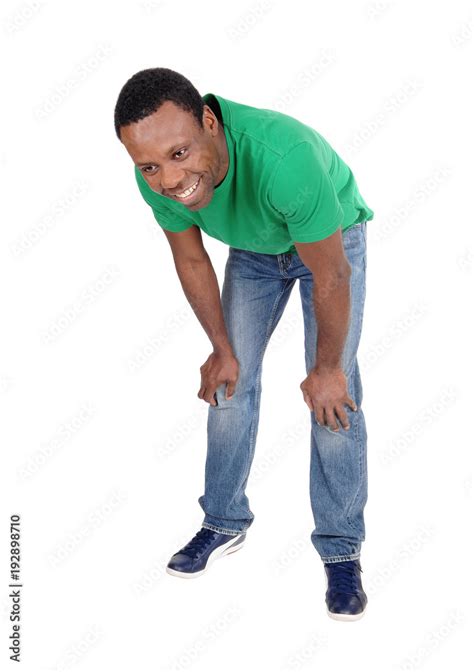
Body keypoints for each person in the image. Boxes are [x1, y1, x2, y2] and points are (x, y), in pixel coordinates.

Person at [114, 67, 374, 621]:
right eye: (151, 166)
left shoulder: (285, 159)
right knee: (229, 385)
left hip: (328, 243)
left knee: (334, 399)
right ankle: (223, 519)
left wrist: (328, 368)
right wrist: (220, 347)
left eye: (180, 153)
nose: (169, 179)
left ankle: (341, 549)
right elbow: (190, 257)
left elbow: (330, 276)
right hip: (254, 252)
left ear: (209, 122)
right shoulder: (153, 177)